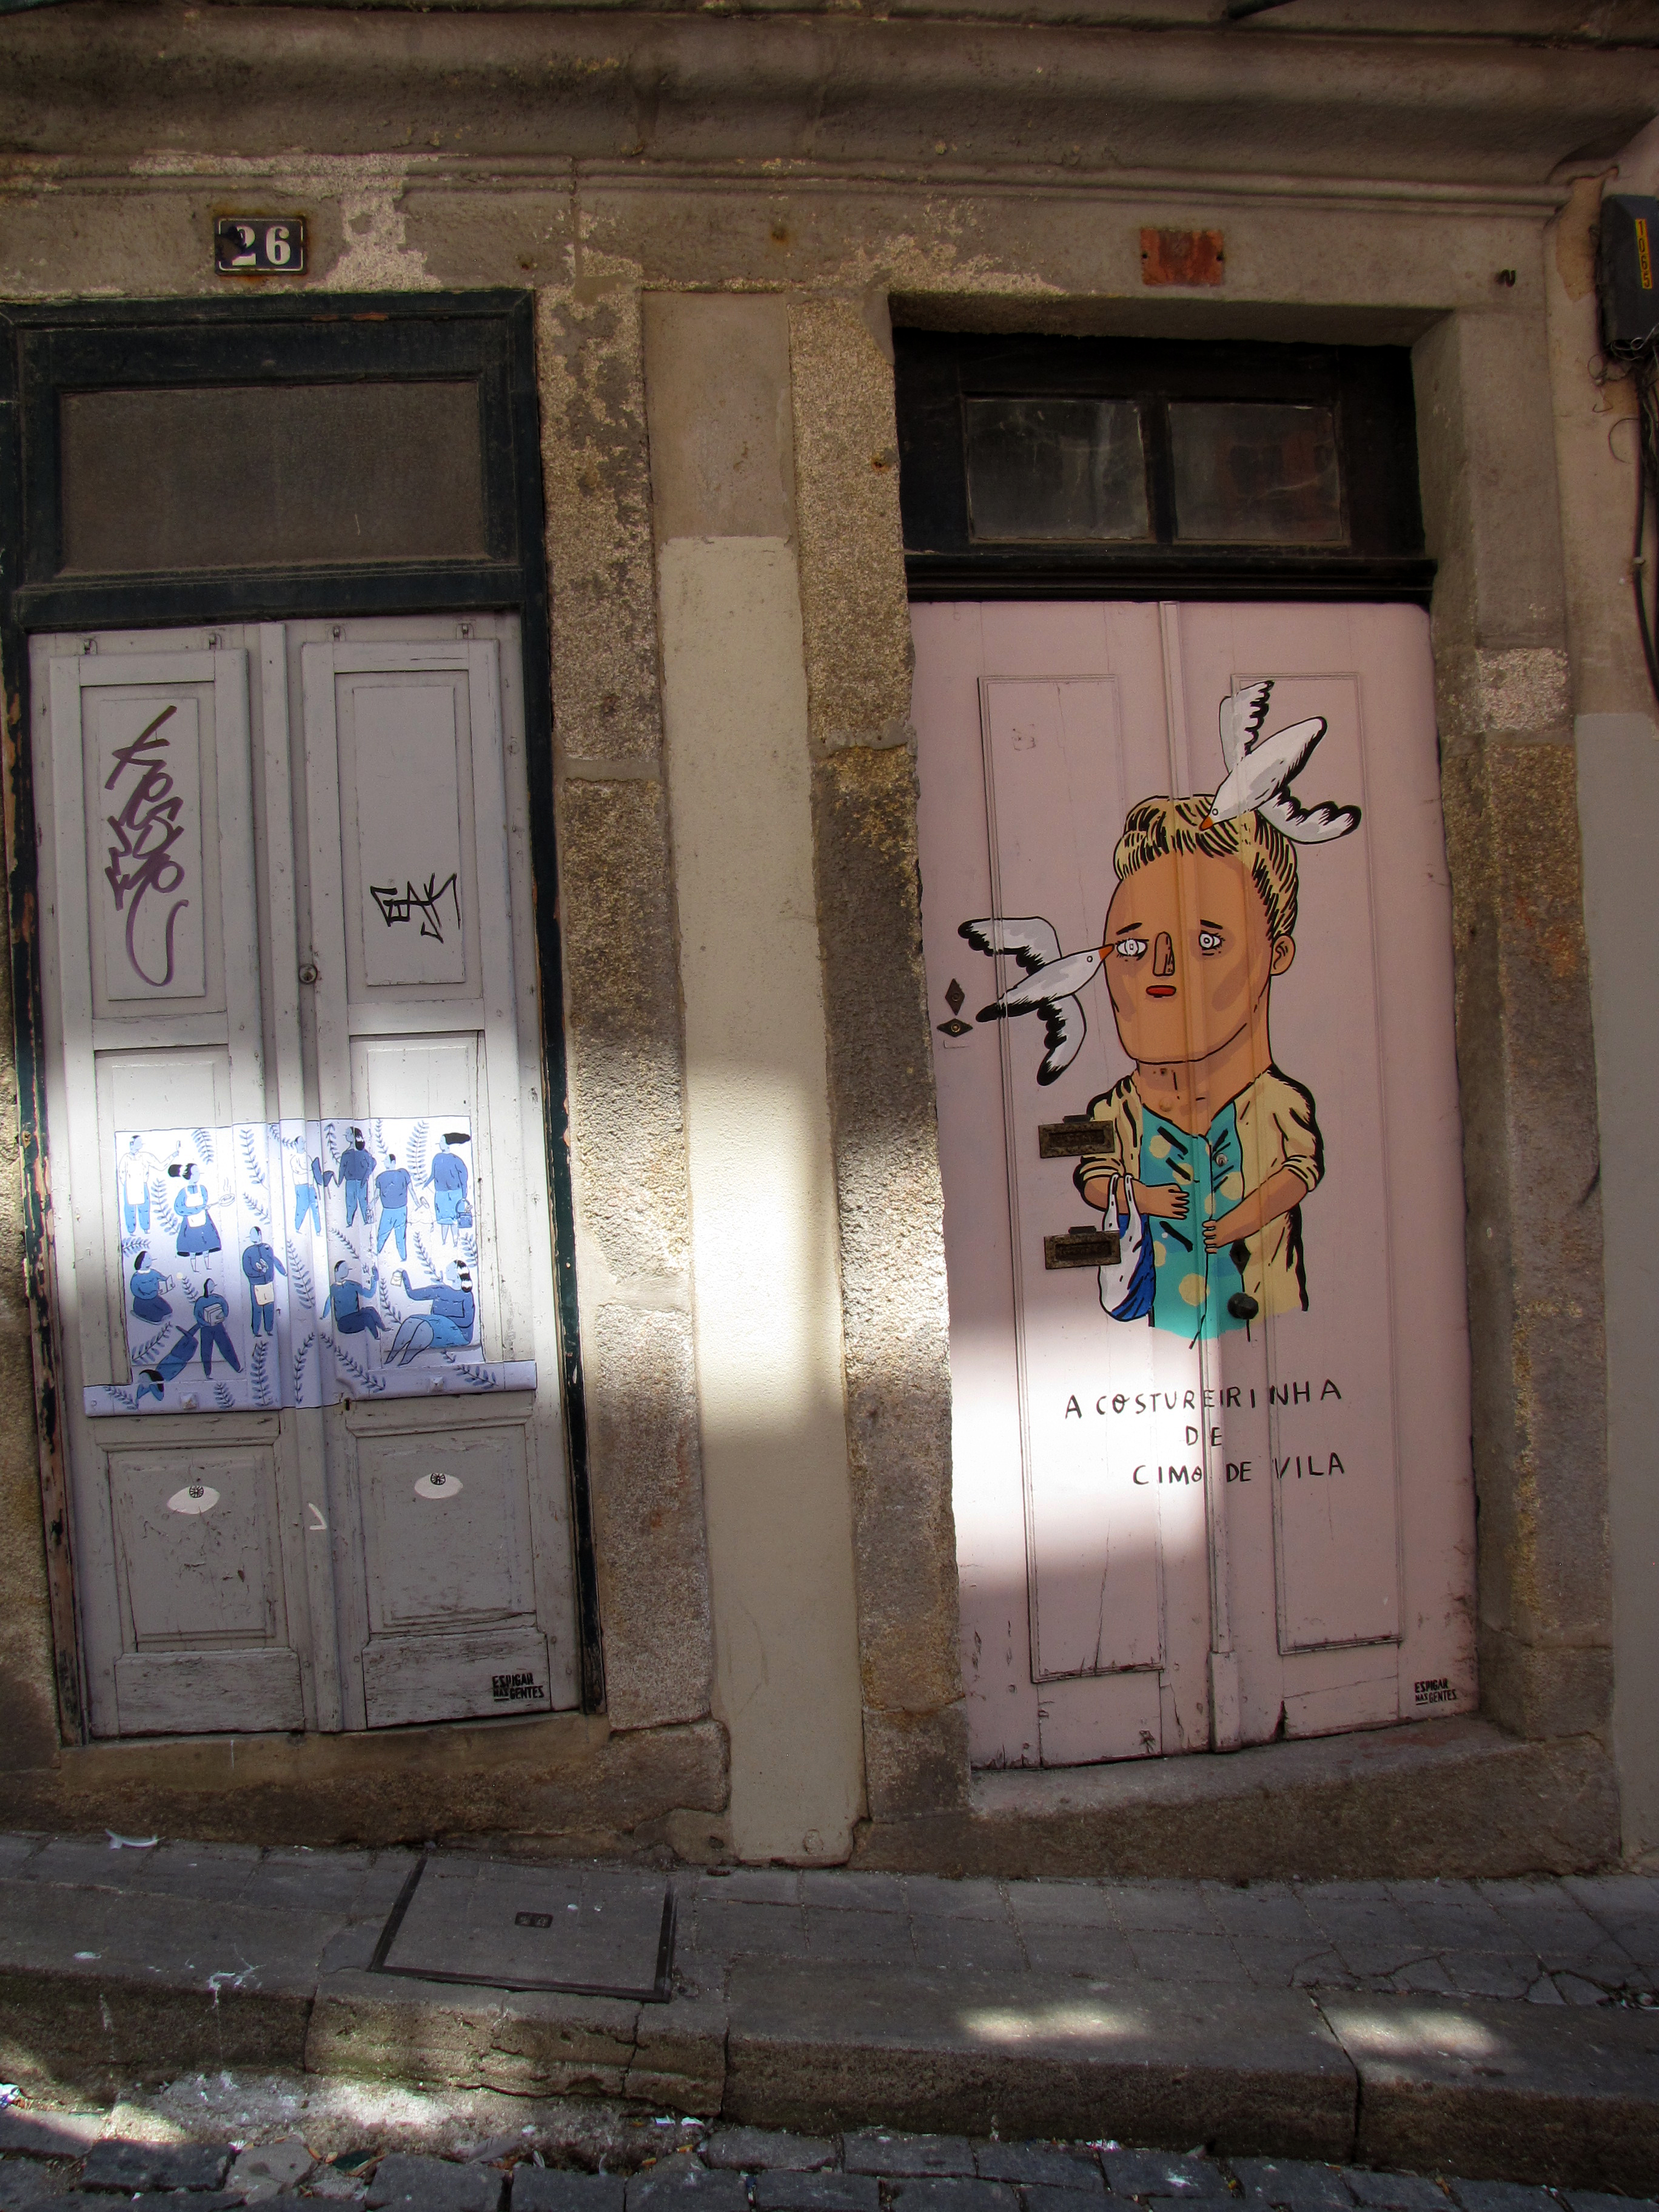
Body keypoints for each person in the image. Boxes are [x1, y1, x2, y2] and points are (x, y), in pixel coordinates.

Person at [1074, 794, 1323, 1342]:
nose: (1159, 972)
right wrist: (1141, 1198)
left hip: (1266, 1322)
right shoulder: (1114, 1113)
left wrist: (1234, 1226)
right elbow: (1093, 1179)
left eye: (1207, 942)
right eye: (1132, 947)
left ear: (1277, 954)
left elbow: (1298, 1174)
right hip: (1155, 1325)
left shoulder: (1279, 1105)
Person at [384, 1261, 475, 1364]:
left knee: (424, 1328)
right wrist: (404, 1275)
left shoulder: (466, 1296)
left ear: (457, 1274)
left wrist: (443, 1318)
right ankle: (391, 1357)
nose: (446, 1270)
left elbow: (467, 1321)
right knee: (411, 1322)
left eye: (450, 1269)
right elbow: (413, 1295)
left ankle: (404, 1362)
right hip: (438, 1328)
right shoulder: (441, 1290)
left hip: (459, 1334)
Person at [426, 1131, 471, 1245]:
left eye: (442, 1141)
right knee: (444, 1221)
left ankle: (455, 1242)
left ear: (447, 1143)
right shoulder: (437, 1158)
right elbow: (433, 1174)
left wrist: (464, 1194)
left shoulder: (456, 1160)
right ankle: (444, 1241)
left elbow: (463, 1177)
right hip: (441, 1194)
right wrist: (425, 1184)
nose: (440, 1143)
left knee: (455, 1220)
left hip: (455, 1193)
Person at [321, 1259, 384, 1338]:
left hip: (355, 1316)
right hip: (343, 1323)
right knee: (367, 1318)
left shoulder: (352, 1285)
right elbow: (328, 1302)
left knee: (371, 1310)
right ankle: (377, 1337)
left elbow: (369, 1294)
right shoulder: (334, 1288)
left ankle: (383, 1329)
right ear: (338, 1271)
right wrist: (324, 1317)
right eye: (345, 1268)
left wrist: (374, 1281)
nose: (347, 1269)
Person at [170, 1162, 222, 1257]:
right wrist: (196, 1209)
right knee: (192, 1250)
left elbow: (204, 1201)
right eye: (196, 1173)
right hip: (190, 1224)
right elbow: (179, 1208)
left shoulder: (202, 1189)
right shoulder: (184, 1192)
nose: (198, 1175)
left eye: (198, 1172)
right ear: (190, 1175)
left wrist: (202, 1208)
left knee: (207, 1249)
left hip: (204, 1222)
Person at [241, 1230, 286, 1335]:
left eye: (253, 1234)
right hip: (256, 1285)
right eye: (250, 1234)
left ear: (259, 1235)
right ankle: (256, 1331)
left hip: (268, 1283)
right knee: (257, 1308)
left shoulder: (267, 1248)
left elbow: (274, 1260)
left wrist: (283, 1271)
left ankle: (269, 1329)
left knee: (269, 1308)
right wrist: (260, 1273)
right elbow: (248, 1270)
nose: (251, 1236)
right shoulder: (248, 1252)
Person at [192, 1278, 241, 1375]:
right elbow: (197, 1315)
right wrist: (206, 1324)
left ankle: (237, 1368)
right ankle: (207, 1373)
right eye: (211, 1285)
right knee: (206, 1351)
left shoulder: (217, 1298)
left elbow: (225, 1306)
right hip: (206, 1329)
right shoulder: (201, 1302)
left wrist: (223, 1315)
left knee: (227, 1347)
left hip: (218, 1327)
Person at [374, 1153, 412, 1260]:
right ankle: (377, 1252)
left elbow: (411, 1190)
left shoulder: (403, 1173)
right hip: (388, 1210)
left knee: (400, 1236)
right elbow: (377, 1195)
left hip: (400, 1210)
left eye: (387, 1160)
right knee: (382, 1234)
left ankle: (403, 1257)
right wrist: (371, 1205)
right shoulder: (380, 1177)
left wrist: (417, 1202)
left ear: (393, 1162)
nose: (385, 1162)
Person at [337, 1128, 375, 1227]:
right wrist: (339, 1182)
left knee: (363, 1202)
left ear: (354, 1136)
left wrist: (366, 1177)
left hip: (361, 1182)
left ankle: (366, 1221)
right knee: (350, 1203)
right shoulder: (346, 1154)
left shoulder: (364, 1153)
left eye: (348, 1134)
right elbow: (342, 1169)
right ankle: (349, 1222)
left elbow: (373, 1163)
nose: (346, 1136)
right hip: (350, 1182)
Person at [119, 1136, 153, 1238]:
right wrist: (128, 1184)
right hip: (130, 1186)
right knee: (130, 1210)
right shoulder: (125, 1158)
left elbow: (160, 1165)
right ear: (132, 1144)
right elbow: (121, 1173)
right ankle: (131, 1230)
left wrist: (174, 1154)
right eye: (139, 1142)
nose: (142, 1144)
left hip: (142, 1185)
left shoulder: (145, 1156)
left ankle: (146, 1228)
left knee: (145, 1208)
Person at [128, 1250, 172, 1325]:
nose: (150, 1260)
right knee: (156, 1316)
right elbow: (135, 1290)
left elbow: (162, 1277)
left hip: (155, 1298)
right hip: (143, 1301)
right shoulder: (137, 1277)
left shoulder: (153, 1272)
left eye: (150, 1259)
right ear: (142, 1261)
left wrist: (168, 1281)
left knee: (168, 1310)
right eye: (148, 1259)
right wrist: (144, 1296)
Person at [294, 1151, 330, 1235]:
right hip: (302, 1187)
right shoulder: (295, 1159)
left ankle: (318, 1231)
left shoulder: (308, 1157)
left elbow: (313, 1172)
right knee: (302, 1208)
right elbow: (299, 1171)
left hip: (311, 1187)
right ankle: (297, 1228)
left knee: (315, 1209)